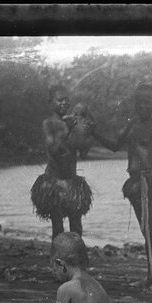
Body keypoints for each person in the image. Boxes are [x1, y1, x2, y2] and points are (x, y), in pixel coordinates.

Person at [89, 83, 152, 290]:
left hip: (149, 183)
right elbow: (115, 146)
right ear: (136, 104)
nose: (144, 106)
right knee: (146, 231)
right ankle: (151, 275)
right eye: (140, 102)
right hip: (134, 184)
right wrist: (94, 133)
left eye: (148, 103)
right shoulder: (132, 125)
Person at [30, 84, 94, 238]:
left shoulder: (74, 123)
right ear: (51, 102)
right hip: (55, 183)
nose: (64, 103)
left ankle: (76, 258)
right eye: (60, 100)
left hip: (73, 183)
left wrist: (89, 134)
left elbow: (83, 153)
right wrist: (68, 130)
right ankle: (57, 260)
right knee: (58, 228)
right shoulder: (48, 124)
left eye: (67, 99)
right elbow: (53, 149)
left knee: (76, 228)